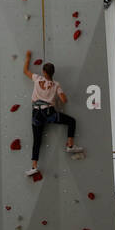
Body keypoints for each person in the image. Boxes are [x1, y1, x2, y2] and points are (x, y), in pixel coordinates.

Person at [22, 50, 83, 178]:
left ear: (44, 72)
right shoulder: (56, 85)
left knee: (37, 141)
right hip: (49, 114)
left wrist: (28, 57)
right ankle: (70, 145)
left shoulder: (37, 79)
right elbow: (64, 100)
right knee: (71, 121)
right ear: (53, 73)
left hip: (36, 114)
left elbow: (25, 71)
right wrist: (60, 96)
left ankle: (34, 167)